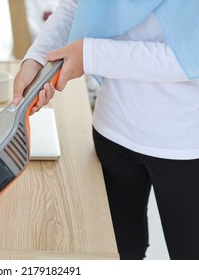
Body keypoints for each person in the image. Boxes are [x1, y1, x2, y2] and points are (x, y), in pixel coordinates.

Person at [12, 0, 199, 260]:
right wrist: (37, 58)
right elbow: (77, 6)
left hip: (184, 147)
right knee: (119, 255)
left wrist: (91, 55)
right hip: (113, 133)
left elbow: (189, 56)